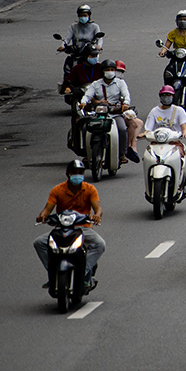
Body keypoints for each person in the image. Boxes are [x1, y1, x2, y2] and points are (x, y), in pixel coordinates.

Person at [35, 159, 105, 290]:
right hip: (62, 228)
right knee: (39, 242)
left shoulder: (90, 189)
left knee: (100, 244)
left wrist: (97, 216)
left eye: (80, 172)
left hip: (83, 228)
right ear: (68, 173)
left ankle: (83, 273)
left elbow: (98, 208)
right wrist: (42, 216)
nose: (77, 175)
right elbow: (47, 209)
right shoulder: (57, 190)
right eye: (74, 172)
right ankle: (52, 272)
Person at [79, 59, 141, 161]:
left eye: (112, 69)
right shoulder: (96, 84)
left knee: (122, 129)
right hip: (98, 113)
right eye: (107, 69)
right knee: (86, 128)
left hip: (114, 113)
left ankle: (122, 154)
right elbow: (88, 95)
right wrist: (83, 102)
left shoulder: (120, 83)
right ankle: (86, 153)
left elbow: (126, 95)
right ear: (103, 71)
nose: (110, 72)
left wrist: (125, 104)